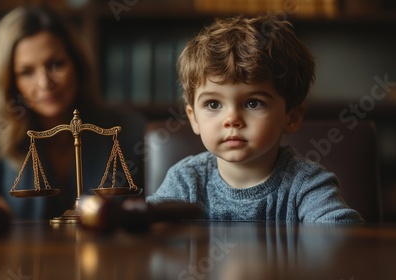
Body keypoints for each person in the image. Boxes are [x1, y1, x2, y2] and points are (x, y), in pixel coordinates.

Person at [146, 15, 363, 223]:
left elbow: (342, 237)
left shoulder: (307, 183)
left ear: (292, 117)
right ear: (193, 118)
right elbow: (147, 230)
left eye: (253, 103)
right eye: (213, 104)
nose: (232, 119)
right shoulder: (186, 181)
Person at [0, 6, 145, 220]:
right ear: (10, 82)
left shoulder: (127, 129)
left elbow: (142, 215)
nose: (45, 83)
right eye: (26, 72)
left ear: (77, 65)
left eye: (56, 64)